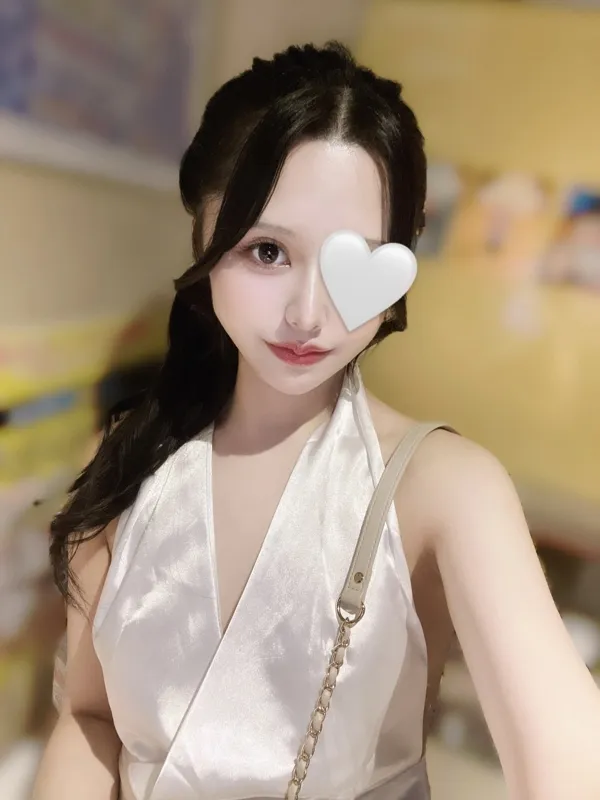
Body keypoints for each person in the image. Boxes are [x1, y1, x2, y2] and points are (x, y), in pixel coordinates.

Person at [33, 43, 600, 800]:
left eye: (352, 260)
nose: (307, 314)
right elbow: (92, 717)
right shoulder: (129, 458)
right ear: (203, 235)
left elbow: (571, 766)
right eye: (267, 251)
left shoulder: (443, 488)